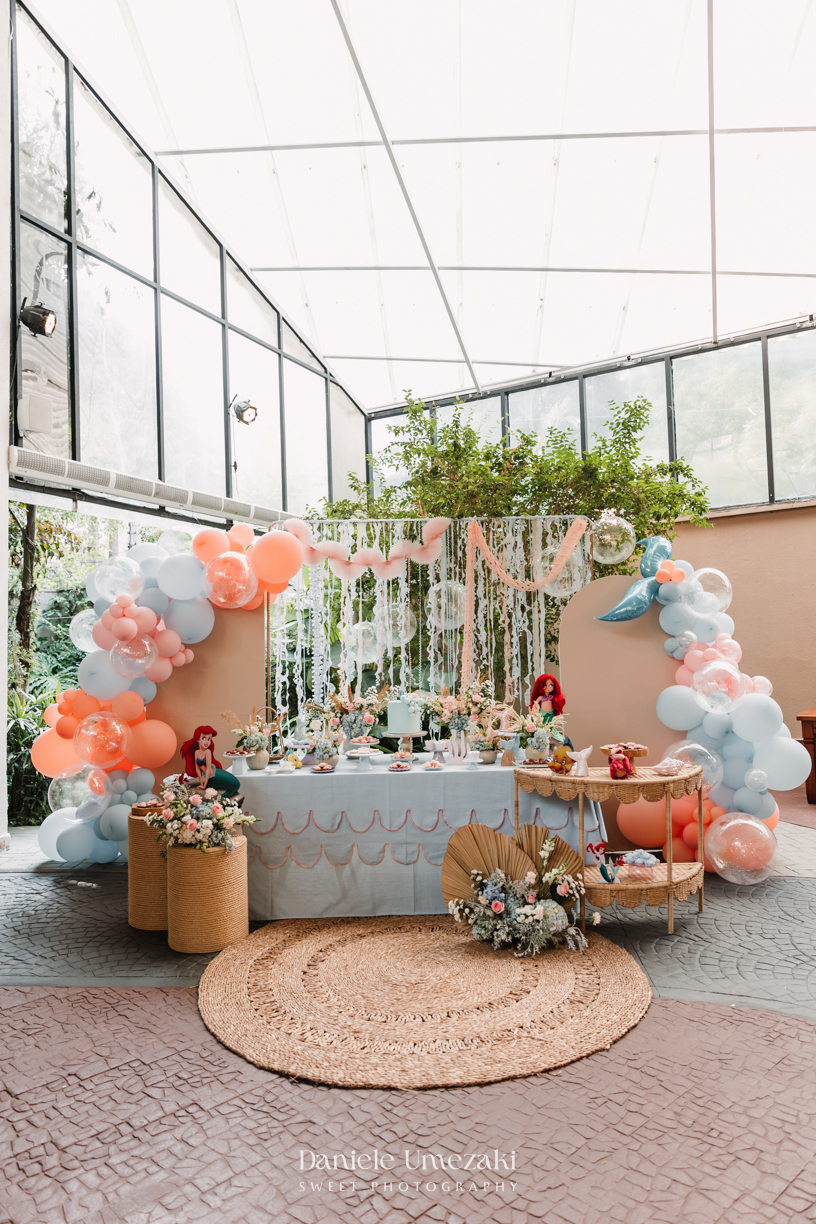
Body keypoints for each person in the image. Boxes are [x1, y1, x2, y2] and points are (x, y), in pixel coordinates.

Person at [179, 725, 241, 798]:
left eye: (209, 739)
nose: (207, 742)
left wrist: (204, 785)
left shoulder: (207, 752)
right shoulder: (197, 752)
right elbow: (197, 769)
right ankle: (222, 797)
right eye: (203, 738)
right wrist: (202, 784)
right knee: (235, 784)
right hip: (210, 780)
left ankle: (224, 797)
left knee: (236, 784)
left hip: (214, 774)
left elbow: (208, 768)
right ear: (197, 739)